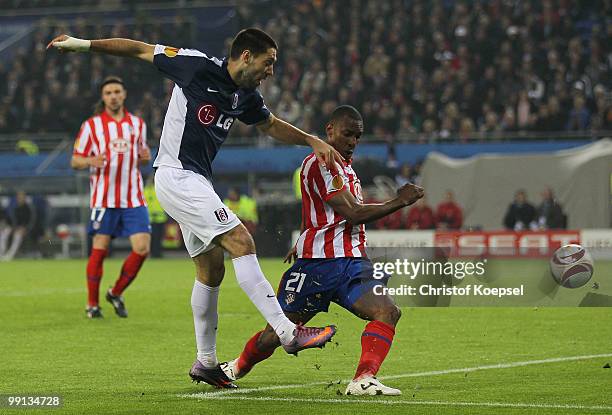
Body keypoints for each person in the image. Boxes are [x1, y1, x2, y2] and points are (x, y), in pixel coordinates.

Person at [48, 27, 341, 388]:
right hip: (176, 175)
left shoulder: (246, 95)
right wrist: (82, 44)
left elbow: (270, 126)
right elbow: (139, 50)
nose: (271, 71)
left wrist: (310, 140)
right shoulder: (196, 66)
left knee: (211, 269)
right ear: (246, 56)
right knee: (241, 242)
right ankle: (287, 331)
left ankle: (205, 363)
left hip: (197, 181)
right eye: (269, 63)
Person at [219, 106, 424, 396]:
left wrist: (303, 234)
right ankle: (236, 367)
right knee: (276, 335)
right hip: (318, 267)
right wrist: (399, 201)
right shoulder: (321, 163)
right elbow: (352, 213)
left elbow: (315, 207)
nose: (353, 141)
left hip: (352, 262)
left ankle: (363, 379)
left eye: (358, 136)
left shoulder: (346, 167)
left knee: (387, 311)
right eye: (347, 134)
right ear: (330, 130)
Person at [70, 76, 152, 319]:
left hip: (133, 197)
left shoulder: (137, 124)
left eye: (117, 91)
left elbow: (141, 157)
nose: (113, 96)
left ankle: (115, 292)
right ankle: (92, 305)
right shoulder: (91, 126)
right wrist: (89, 161)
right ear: (103, 98)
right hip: (103, 199)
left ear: (124, 94)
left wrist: (144, 158)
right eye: (108, 93)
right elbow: (75, 160)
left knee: (142, 248)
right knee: (100, 249)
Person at [0, 191, 34, 260]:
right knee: (4, 232)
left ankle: (10, 255)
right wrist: (11, 227)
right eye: (18, 198)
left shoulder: (29, 209)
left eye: (21, 197)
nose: (20, 199)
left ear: (24, 198)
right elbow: (13, 221)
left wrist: (25, 229)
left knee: (17, 235)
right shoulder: (16, 209)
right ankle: (1, 253)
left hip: (25, 230)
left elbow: (32, 221)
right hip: (16, 228)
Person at [143, 174, 168, 258]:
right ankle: (154, 253)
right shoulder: (148, 190)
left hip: (159, 218)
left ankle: (157, 253)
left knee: (158, 237)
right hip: (152, 218)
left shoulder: (156, 190)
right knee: (153, 238)